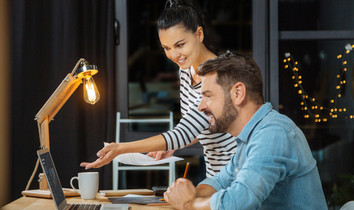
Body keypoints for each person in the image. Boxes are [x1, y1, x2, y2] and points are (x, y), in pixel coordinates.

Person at [163, 52, 334, 210]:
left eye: (208, 96)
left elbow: (235, 208)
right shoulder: (251, 138)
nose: (201, 107)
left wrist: (188, 204)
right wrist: (191, 193)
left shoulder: (273, 135)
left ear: (238, 93)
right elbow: (220, 182)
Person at [81, 0, 237, 177]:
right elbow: (200, 126)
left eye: (180, 45)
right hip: (215, 178)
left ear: (199, 34)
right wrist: (173, 145)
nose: (174, 55)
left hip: (236, 178)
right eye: (166, 48)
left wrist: (120, 148)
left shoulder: (217, 76)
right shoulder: (186, 71)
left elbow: (184, 132)